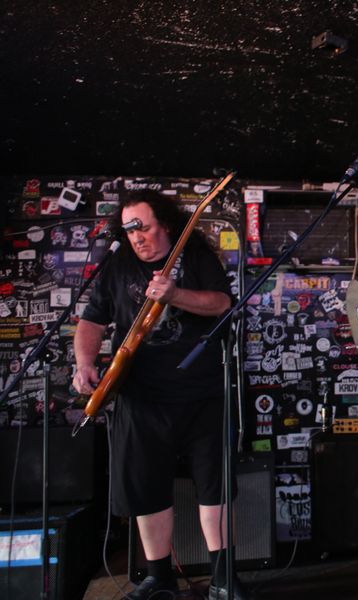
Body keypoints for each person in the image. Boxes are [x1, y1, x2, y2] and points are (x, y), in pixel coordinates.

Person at [72, 190, 249, 600]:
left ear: (165, 224)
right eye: (129, 229)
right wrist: (84, 363)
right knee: (145, 486)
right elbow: (91, 321)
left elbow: (221, 303)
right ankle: (158, 578)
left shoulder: (195, 255)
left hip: (202, 392)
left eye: (144, 227)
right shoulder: (118, 265)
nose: (137, 236)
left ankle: (223, 578)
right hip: (140, 396)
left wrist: (174, 295)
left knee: (215, 487)